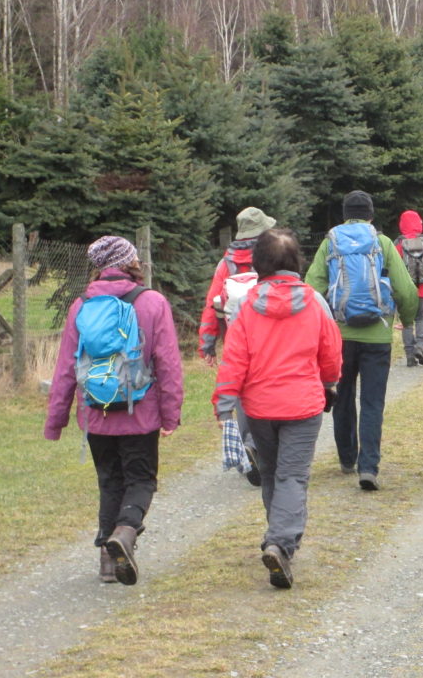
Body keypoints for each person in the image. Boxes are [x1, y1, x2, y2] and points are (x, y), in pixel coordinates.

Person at [44, 235, 183, 585]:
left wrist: (56, 420)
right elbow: (167, 363)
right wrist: (170, 414)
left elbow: (65, 367)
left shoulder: (80, 305)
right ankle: (125, 533)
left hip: (96, 413)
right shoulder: (152, 303)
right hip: (140, 413)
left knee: (110, 483)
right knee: (140, 480)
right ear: (132, 262)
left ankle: (107, 563)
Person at [212, 228, 342, 589]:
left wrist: (224, 404)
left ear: (259, 263)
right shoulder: (315, 302)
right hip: (303, 405)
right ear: (296, 261)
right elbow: (330, 353)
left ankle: (279, 538)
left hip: (259, 407)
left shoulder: (247, 306)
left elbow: (234, 361)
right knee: (292, 476)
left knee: (271, 474)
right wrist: (330, 382)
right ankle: (280, 543)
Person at [305, 190, 419, 491]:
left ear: (345, 214)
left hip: (338, 335)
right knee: (372, 402)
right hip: (378, 334)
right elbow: (406, 290)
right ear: (371, 215)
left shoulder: (330, 242)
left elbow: (311, 288)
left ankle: (346, 457)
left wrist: (320, 326)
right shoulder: (381, 243)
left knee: (341, 396)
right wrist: (407, 321)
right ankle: (368, 466)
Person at [197, 207, 277, 487]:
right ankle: (265, 444)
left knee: (243, 395)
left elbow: (211, 304)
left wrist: (207, 343)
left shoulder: (226, 263)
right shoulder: (271, 254)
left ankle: (249, 443)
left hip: (236, 338)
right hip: (271, 335)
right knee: (271, 388)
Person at [394, 209, 423, 367]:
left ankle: (409, 356)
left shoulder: (399, 242)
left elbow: (393, 265)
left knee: (407, 321)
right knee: (421, 318)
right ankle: (420, 346)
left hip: (406, 290)